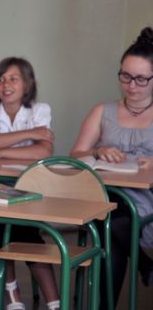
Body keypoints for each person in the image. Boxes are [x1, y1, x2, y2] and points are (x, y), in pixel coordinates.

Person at [70, 26, 153, 308]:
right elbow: (75, 156)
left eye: (141, 79)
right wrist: (97, 151)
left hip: (145, 200)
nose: (132, 85)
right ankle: (144, 265)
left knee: (111, 224)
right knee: (109, 218)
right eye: (125, 76)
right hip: (104, 194)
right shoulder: (102, 111)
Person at [0, 57, 60, 310]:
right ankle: (15, 295)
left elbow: (43, 151)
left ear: (27, 84)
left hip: (32, 187)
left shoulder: (39, 110)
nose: (6, 84)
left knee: (24, 230)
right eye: (0, 79)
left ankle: (53, 302)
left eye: (13, 78)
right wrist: (32, 133)